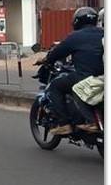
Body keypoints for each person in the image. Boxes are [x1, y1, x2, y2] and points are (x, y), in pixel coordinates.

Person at [39, 7, 103, 135]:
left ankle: (64, 124)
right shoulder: (103, 33)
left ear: (77, 21)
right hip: (102, 76)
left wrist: (46, 60)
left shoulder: (75, 37)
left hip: (85, 77)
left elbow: (57, 52)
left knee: (56, 86)